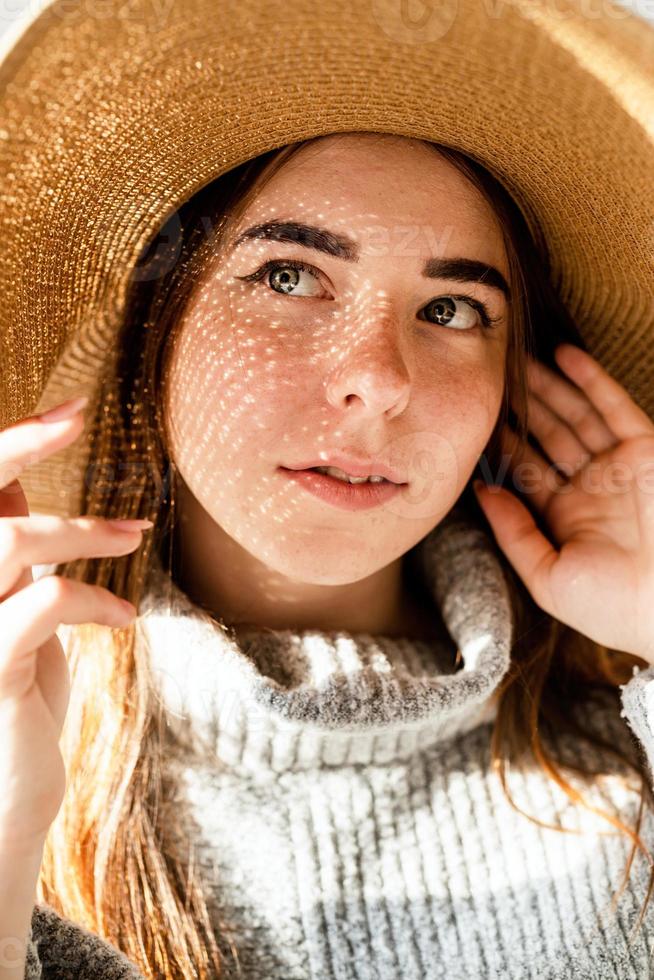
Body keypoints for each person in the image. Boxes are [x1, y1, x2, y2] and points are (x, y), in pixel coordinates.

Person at [1, 3, 653, 980]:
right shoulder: (23, 765)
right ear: (153, 328)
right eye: (289, 275)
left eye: (450, 306)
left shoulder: (633, 761)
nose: (380, 377)